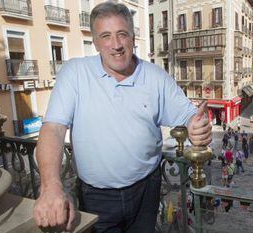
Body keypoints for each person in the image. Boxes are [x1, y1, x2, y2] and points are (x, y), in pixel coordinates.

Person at [33, 3, 212, 232]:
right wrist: (50, 186)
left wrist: (197, 126)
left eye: (122, 34)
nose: (116, 45)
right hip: (97, 199)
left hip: (147, 191)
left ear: (133, 37)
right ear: (95, 42)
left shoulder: (156, 76)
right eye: (106, 36)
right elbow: (53, 129)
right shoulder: (74, 73)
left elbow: (189, 115)